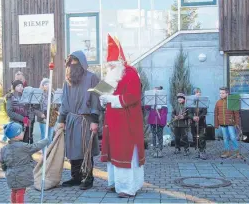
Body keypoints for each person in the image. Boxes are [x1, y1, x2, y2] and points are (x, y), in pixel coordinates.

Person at [100, 35, 145, 198]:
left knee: (125, 152)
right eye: (109, 64)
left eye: (113, 63)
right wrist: (102, 99)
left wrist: (111, 99)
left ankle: (127, 187)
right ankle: (115, 183)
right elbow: (103, 93)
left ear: (119, 61)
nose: (110, 66)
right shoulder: (110, 75)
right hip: (112, 122)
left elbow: (133, 96)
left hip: (127, 121)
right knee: (114, 153)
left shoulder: (131, 73)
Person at [57, 50, 100, 190]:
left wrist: (95, 120)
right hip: (71, 120)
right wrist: (61, 120)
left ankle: (88, 178)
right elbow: (64, 101)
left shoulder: (92, 77)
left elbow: (95, 99)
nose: (73, 65)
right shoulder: (67, 80)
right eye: (70, 63)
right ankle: (76, 177)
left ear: (82, 63)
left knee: (84, 149)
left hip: (85, 120)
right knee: (72, 149)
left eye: (75, 62)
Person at [0, 122, 49, 204]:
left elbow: (2, 162)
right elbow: (35, 147)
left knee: (14, 191)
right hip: (21, 174)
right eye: (21, 131)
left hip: (10, 174)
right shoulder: (23, 146)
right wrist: (45, 141)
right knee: (20, 192)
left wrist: (5, 169)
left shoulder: (4, 148)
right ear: (16, 135)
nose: (23, 132)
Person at [214, 87, 240, 158]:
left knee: (233, 137)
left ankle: (237, 152)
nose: (221, 94)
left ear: (227, 93)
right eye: (220, 93)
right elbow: (216, 114)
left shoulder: (232, 101)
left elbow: (236, 113)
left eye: (223, 93)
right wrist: (216, 124)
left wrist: (237, 123)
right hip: (222, 123)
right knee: (225, 138)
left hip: (231, 123)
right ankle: (227, 151)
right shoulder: (218, 102)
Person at [145, 86, 168, 158]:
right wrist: (148, 102)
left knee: (160, 135)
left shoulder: (163, 102)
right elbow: (147, 108)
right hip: (153, 120)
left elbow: (165, 112)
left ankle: (160, 150)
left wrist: (161, 120)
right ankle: (154, 150)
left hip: (160, 120)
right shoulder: (151, 100)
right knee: (153, 135)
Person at [189, 88, 207, 160]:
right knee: (195, 137)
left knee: (202, 137)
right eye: (196, 92)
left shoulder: (203, 102)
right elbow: (189, 112)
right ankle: (198, 151)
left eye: (199, 92)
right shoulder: (190, 102)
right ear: (194, 94)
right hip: (193, 123)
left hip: (201, 122)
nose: (198, 93)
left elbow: (204, 112)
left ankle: (202, 151)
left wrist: (199, 117)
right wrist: (193, 117)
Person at [37, 78, 57, 144]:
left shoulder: (53, 94)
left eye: (49, 84)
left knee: (50, 136)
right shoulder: (39, 94)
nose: (47, 86)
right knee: (44, 137)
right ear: (42, 86)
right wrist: (40, 114)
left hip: (51, 117)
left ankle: (49, 153)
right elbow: (34, 108)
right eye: (45, 84)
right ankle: (44, 153)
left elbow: (56, 106)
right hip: (43, 117)